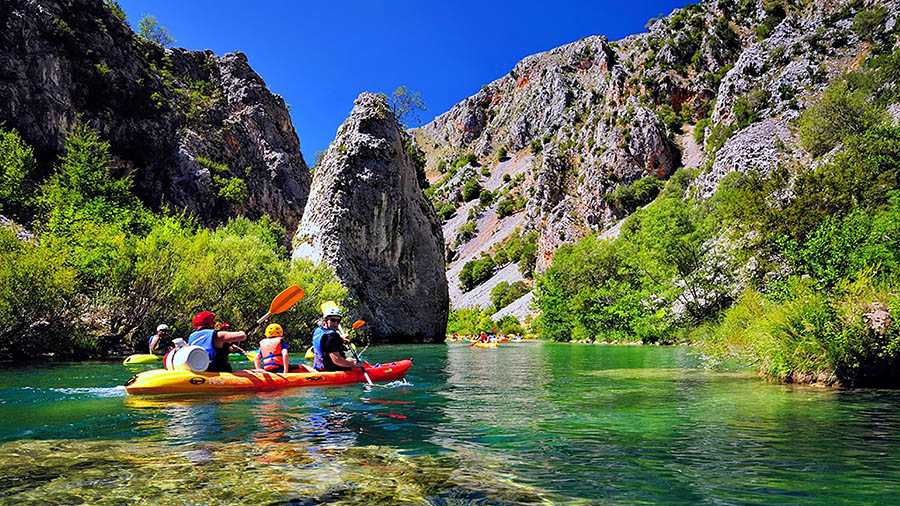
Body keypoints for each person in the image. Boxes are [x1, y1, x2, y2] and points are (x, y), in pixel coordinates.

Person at [311, 307, 365, 372]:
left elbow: (326, 344)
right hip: (332, 369)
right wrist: (355, 364)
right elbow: (337, 360)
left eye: (338, 321)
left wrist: (340, 339)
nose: (336, 324)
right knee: (352, 360)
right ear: (325, 320)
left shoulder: (318, 331)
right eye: (333, 320)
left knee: (349, 359)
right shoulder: (332, 336)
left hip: (319, 368)